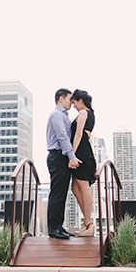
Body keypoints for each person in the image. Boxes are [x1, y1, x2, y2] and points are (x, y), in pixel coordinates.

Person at [45, 88, 81, 239]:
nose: (72, 103)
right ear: (61, 99)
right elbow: (62, 136)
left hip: (61, 157)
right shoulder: (56, 115)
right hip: (58, 157)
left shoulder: (63, 116)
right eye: (69, 99)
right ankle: (53, 229)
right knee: (57, 194)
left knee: (61, 195)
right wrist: (71, 156)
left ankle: (59, 226)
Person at [69, 89, 97, 236]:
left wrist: (71, 154)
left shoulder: (83, 113)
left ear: (80, 100)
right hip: (84, 152)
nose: (73, 105)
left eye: (74, 102)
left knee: (83, 188)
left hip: (81, 153)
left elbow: (79, 134)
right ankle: (87, 222)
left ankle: (89, 224)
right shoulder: (91, 114)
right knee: (75, 188)